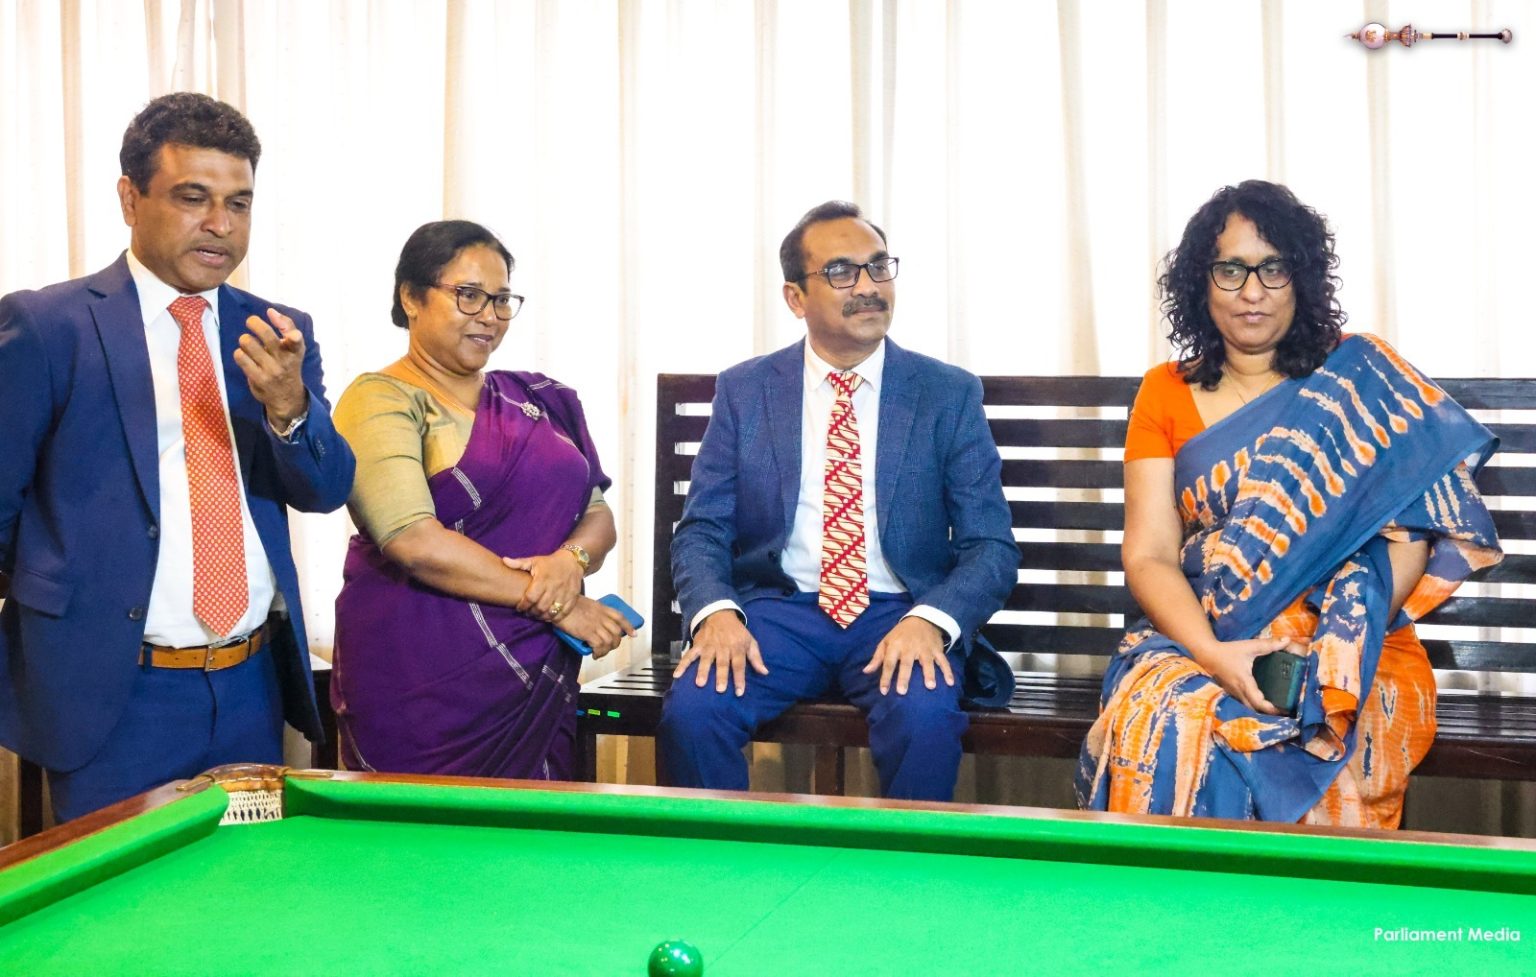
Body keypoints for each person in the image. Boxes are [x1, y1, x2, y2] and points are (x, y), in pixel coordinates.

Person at [1076, 180, 1502, 828]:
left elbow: (1407, 539)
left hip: (1352, 640)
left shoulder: (1361, 377)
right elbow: (1150, 554)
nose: (1252, 291)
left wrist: (1332, 644)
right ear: (1201, 283)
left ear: (1301, 277)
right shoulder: (1164, 392)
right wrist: (1216, 654)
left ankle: (1311, 900)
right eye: (1231, 270)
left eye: (1272, 268)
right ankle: (1176, 896)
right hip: (1203, 633)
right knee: (1176, 720)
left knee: (1319, 720)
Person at [0, 93, 356, 822]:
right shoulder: (48, 326)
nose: (220, 224)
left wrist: (290, 408)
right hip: (111, 694)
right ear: (130, 198)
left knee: (246, 886)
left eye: (239, 203)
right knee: (115, 892)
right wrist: (68, 601)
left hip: (249, 684)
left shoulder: (276, 333)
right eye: (194, 198)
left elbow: (325, 490)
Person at [657, 201, 1019, 802]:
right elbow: (702, 530)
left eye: (879, 267)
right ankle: (718, 860)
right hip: (779, 613)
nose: (869, 286)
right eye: (842, 272)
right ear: (795, 298)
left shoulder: (946, 393)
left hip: (898, 613)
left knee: (924, 716)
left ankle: (903, 865)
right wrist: (716, 613)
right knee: (695, 711)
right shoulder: (747, 390)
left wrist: (930, 620)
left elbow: (991, 546)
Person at [330, 220, 634, 779]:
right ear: (411, 297)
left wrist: (571, 561)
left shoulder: (539, 398)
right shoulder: (380, 399)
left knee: (537, 828)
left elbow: (597, 513)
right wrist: (560, 603)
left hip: (533, 668)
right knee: (423, 831)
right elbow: (413, 541)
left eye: (501, 300)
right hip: (423, 677)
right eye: (468, 295)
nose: (489, 316)